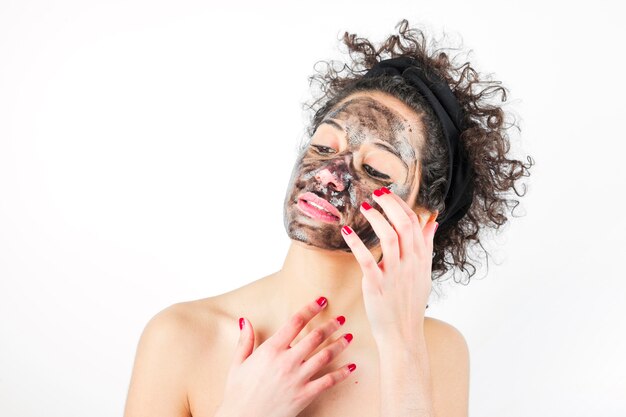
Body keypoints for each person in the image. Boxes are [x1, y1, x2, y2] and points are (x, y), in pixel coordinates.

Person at [123, 19, 534, 417]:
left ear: (421, 216)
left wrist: (403, 350)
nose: (327, 175)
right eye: (323, 147)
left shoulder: (436, 351)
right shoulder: (180, 338)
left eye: (374, 170)